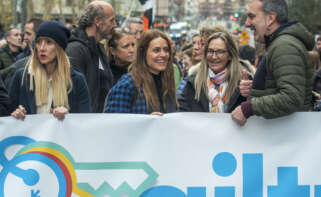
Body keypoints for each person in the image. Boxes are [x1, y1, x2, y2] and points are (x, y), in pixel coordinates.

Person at [231, 0, 315, 126]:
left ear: (270, 18)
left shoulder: (284, 46)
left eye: (252, 16)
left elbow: (291, 98)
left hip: (285, 136)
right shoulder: (279, 44)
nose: (247, 23)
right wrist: (256, 90)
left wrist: (249, 108)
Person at [9, 21, 91, 121]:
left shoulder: (77, 80)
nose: (42, 48)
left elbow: (84, 121)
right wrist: (16, 114)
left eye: (49, 42)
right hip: (29, 136)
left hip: (61, 136)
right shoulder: (21, 77)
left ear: (60, 48)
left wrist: (68, 117)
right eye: (39, 42)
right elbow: (7, 115)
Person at [178, 31, 254, 113]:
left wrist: (250, 96)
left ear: (230, 55)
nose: (214, 57)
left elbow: (256, 108)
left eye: (220, 52)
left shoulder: (243, 82)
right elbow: (181, 110)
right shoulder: (193, 82)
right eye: (210, 51)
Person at [105, 29, 177, 114]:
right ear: (143, 53)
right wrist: (145, 121)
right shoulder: (128, 85)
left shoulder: (167, 83)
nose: (163, 54)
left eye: (166, 50)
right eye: (156, 50)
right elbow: (113, 123)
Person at [66, 0, 117, 113]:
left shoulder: (99, 48)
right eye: (112, 20)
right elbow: (74, 93)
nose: (115, 25)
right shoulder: (75, 49)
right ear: (97, 21)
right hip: (83, 124)